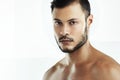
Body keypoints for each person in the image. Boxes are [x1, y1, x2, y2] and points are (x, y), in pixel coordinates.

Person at [43, 0, 120, 80]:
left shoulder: (109, 72)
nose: (64, 32)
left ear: (89, 21)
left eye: (72, 22)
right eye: (58, 23)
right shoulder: (51, 75)